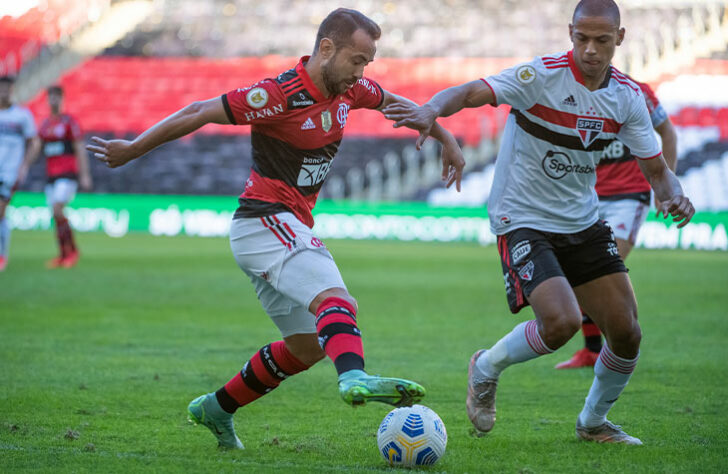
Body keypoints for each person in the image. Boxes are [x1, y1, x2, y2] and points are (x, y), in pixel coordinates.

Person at [86, 8, 465, 449]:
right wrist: (133, 148)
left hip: (279, 227)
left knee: (308, 346)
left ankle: (216, 408)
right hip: (265, 219)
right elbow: (199, 110)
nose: (362, 72)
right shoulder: (278, 93)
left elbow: (402, 107)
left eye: (367, 63)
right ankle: (354, 376)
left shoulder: (351, 89)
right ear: (327, 48)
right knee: (336, 299)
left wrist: (447, 139)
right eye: (357, 60)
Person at [383, 0, 694, 445]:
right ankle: (485, 368)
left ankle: (592, 423)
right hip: (522, 216)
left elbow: (658, 171)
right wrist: (432, 108)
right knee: (561, 322)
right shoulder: (541, 76)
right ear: (570, 32)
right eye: (581, 38)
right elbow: (472, 91)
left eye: (601, 40)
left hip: (582, 220)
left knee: (626, 332)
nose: (590, 49)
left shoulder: (626, 98)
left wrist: (673, 197)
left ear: (619, 40)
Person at [556, 79, 678, 369]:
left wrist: (665, 187)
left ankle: (613, 346)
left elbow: (668, 134)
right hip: (590, 197)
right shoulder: (573, 94)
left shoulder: (638, 92)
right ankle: (593, 350)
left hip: (629, 197)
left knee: (597, 271)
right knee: (580, 274)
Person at [18, 85, 92, 268]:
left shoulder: (69, 122)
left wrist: (85, 175)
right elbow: (36, 147)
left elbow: (79, 148)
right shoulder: (46, 125)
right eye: (51, 97)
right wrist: (25, 165)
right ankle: (64, 253)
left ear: (62, 99)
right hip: (51, 175)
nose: (53, 100)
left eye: (57, 97)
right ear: (47, 100)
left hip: (67, 174)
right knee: (55, 214)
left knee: (58, 209)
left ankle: (71, 252)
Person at [0, 76, 40, 271]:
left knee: (0, 210)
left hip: (9, 171)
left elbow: (34, 142)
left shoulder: (22, 116)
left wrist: (24, 166)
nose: (4, 92)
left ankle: (2, 256)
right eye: (1, 88)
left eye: (7, 88)